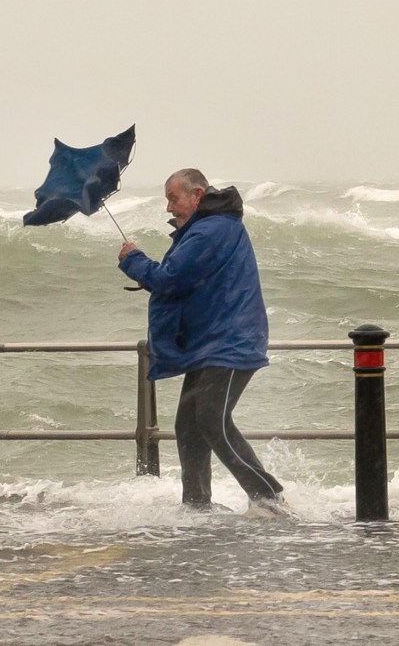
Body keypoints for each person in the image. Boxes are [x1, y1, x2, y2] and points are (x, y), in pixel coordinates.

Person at [118, 168, 286, 516]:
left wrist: (133, 260)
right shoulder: (203, 229)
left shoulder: (212, 230)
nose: (169, 208)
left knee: (211, 419)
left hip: (229, 341)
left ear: (197, 195)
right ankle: (196, 505)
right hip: (211, 343)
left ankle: (267, 497)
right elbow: (182, 281)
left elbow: (170, 279)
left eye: (173, 199)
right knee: (188, 424)